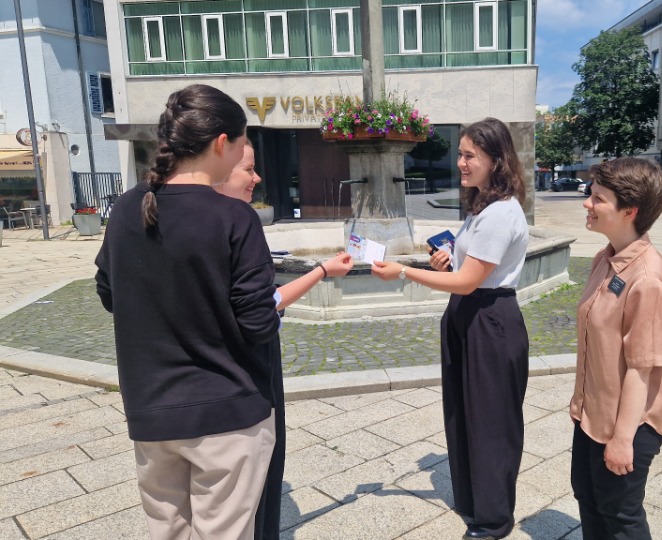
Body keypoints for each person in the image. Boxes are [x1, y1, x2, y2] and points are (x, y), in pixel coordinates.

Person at [94, 84, 349, 539]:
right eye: (240, 145)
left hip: (150, 412)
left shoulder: (127, 206)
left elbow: (109, 292)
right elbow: (256, 322)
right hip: (226, 416)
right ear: (220, 143)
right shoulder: (234, 218)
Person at [371, 117, 529, 540]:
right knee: (465, 413)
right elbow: (465, 271)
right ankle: (475, 501)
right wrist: (445, 260)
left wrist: (405, 273)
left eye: (469, 156)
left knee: (491, 422)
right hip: (469, 315)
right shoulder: (481, 206)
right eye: (459, 154)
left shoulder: (500, 212)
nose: (460, 163)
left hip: (489, 320)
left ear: (497, 160)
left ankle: (494, 519)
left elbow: (469, 281)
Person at [214, 141, 351, 540]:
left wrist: (322, 270)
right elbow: (262, 310)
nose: (257, 178)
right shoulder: (237, 221)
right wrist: (323, 271)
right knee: (255, 480)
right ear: (220, 165)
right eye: (249, 169)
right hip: (245, 375)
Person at [569, 157, 662, 540]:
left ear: (629, 211)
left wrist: (622, 440)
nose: (587, 203)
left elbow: (642, 368)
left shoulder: (646, 277)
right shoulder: (606, 259)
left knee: (620, 515)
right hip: (593, 412)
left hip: (629, 422)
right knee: (589, 498)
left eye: (598, 198)